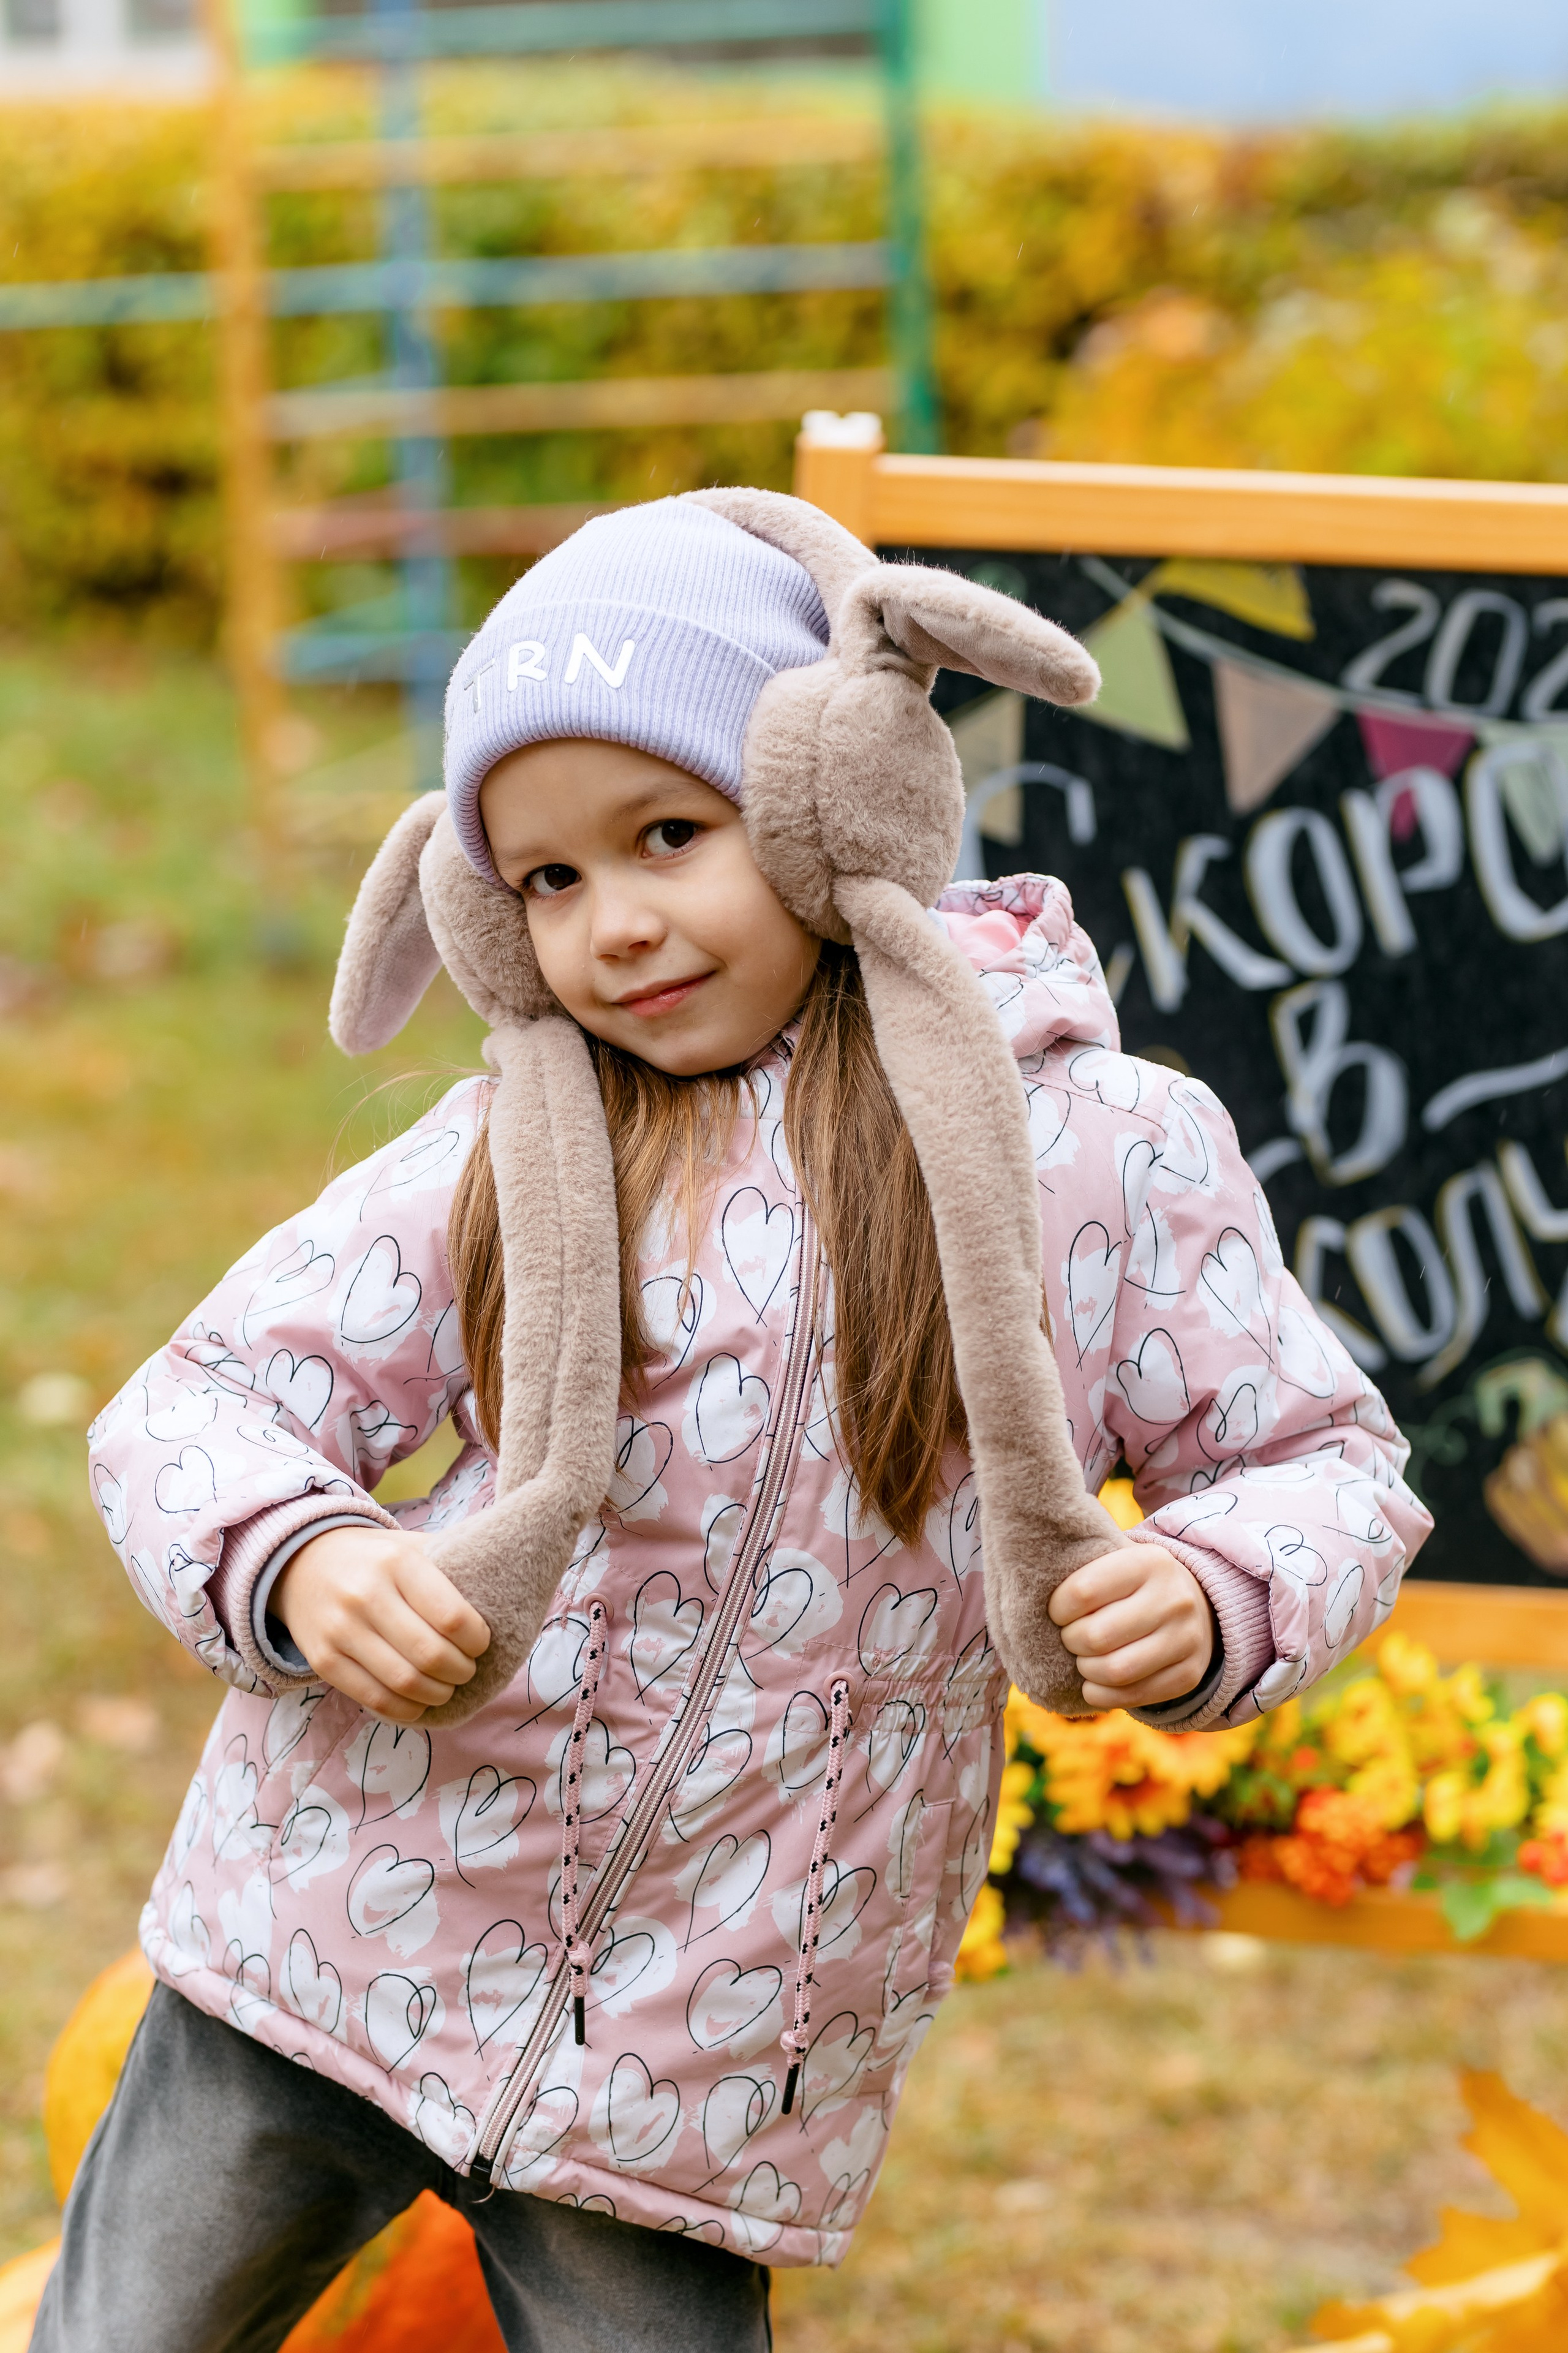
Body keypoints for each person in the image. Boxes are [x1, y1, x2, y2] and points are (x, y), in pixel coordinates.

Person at [45, 490, 1430, 2353]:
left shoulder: (1098, 1153)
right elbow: (201, 1403)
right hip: (334, 1937)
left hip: (712, 2024)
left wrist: (1220, 1583)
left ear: (823, 794)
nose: (613, 926)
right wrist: (302, 1560)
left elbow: (1324, 1463)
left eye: (667, 837)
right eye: (545, 880)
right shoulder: (501, 1153)